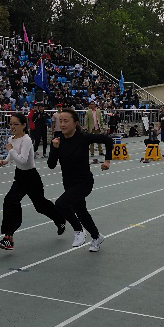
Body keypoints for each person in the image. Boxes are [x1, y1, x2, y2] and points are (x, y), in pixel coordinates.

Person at [0, 114, 66, 250]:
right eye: (11, 124)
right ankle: (8, 237)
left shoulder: (26, 140)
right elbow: (12, 154)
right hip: (20, 176)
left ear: (23, 125)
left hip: (31, 177)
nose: (12, 127)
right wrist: (6, 160)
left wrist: (10, 150)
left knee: (40, 206)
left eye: (16, 124)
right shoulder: (11, 139)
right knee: (10, 201)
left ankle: (60, 219)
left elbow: (23, 160)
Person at [47, 108, 113, 252]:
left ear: (75, 123)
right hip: (68, 182)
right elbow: (51, 165)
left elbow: (108, 140)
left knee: (60, 204)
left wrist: (107, 161)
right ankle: (96, 236)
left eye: (66, 121)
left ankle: (78, 230)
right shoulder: (58, 140)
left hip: (84, 182)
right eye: (60, 121)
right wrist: (54, 148)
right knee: (81, 211)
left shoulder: (83, 138)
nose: (62, 124)